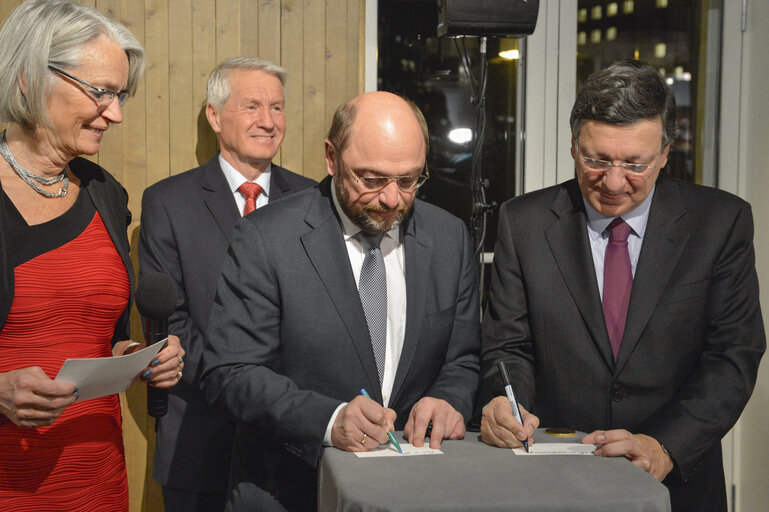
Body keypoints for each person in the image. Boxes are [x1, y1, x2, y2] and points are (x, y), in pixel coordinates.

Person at [476, 60, 765, 512]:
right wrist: (502, 399)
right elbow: (509, 346)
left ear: (665, 153)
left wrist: (665, 446)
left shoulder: (720, 222)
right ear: (573, 145)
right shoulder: (524, 222)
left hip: (677, 484)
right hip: (553, 480)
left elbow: (733, 355)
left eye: (635, 164)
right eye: (596, 160)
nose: (613, 183)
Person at [201, 91, 480, 511]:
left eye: (409, 181)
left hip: (416, 489)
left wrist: (449, 399)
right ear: (332, 158)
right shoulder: (267, 238)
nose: (391, 200)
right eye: (371, 179)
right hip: (293, 490)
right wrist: (329, 421)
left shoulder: (449, 237)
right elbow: (229, 372)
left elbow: (462, 358)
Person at [0, 1, 184, 510]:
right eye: (101, 92)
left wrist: (136, 359)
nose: (116, 113)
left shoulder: (107, 193)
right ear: (26, 78)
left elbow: (103, 336)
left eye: (121, 94)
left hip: (96, 481)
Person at [138, 57, 316, 512]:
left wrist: (284, 403)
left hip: (296, 442)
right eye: (252, 106)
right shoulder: (168, 202)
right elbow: (170, 320)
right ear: (214, 116)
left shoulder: (315, 200)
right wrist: (242, 388)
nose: (268, 121)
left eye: (277, 108)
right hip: (200, 438)